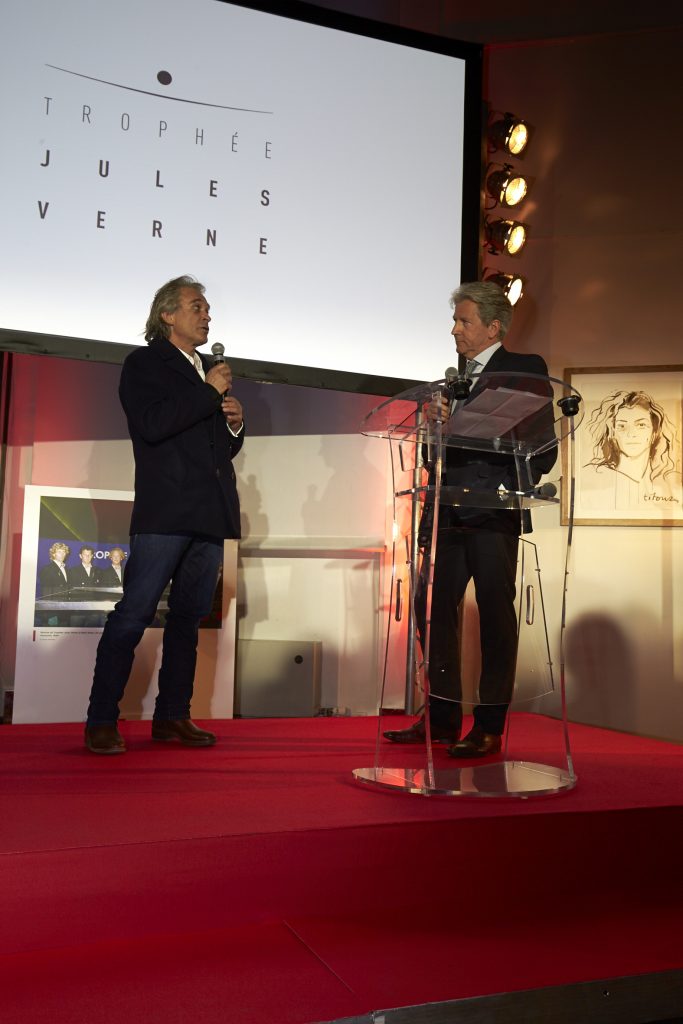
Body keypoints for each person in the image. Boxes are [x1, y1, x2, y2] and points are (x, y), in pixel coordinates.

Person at [384, 281, 557, 758]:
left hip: (491, 510)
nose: (455, 330)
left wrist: (491, 444)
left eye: (464, 321)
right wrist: (435, 427)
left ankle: (488, 726)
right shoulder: (450, 383)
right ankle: (441, 719)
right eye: (455, 321)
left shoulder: (523, 369)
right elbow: (432, 457)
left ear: (493, 327)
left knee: (496, 615)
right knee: (433, 610)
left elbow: (540, 446)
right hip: (446, 510)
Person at [84, 275, 244, 754]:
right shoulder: (144, 363)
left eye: (208, 308)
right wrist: (209, 393)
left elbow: (216, 449)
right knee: (134, 613)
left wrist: (235, 427)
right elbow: (153, 425)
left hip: (210, 512)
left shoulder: (208, 370)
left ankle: (173, 715)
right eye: (197, 306)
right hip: (166, 510)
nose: (207, 315)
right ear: (167, 314)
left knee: (189, 619)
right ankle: (101, 719)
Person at [581, 390, 682, 511]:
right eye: (622, 426)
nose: (631, 434)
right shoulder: (593, 476)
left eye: (641, 425)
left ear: (654, 432)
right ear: (613, 434)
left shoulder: (670, 482)